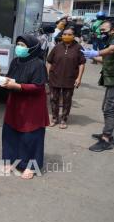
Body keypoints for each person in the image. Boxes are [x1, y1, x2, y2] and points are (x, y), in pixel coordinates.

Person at [0, 34, 49, 179]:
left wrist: (18, 86)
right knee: (10, 133)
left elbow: (38, 87)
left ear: (32, 47)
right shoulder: (16, 61)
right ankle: (9, 161)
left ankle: (30, 166)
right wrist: (1, 81)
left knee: (30, 136)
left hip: (31, 106)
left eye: (23, 45)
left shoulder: (38, 64)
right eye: (18, 44)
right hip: (15, 103)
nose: (19, 48)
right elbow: (10, 77)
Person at [82, 20, 114, 152]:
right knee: (106, 108)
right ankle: (107, 133)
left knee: (109, 109)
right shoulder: (109, 41)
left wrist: (96, 53)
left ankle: (106, 139)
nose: (101, 32)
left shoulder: (112, 43)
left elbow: (112, 49)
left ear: (112, 30)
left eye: (104, 30)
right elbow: (105, 59)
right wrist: (90, 55)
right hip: (110, 80)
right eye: (100, 30)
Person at [47, 27, 86, 129]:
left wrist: (79, 78)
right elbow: (49, 62)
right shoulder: (57, 47)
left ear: (73, 36)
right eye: (64, 34)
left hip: (69, 79)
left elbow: (82, 64)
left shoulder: (79, 48)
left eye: (69, 34)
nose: (66, 36)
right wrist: (47, 75)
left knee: (67, 100)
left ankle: (64, 119)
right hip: (54, 77)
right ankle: (54, 118)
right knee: (53, 99)